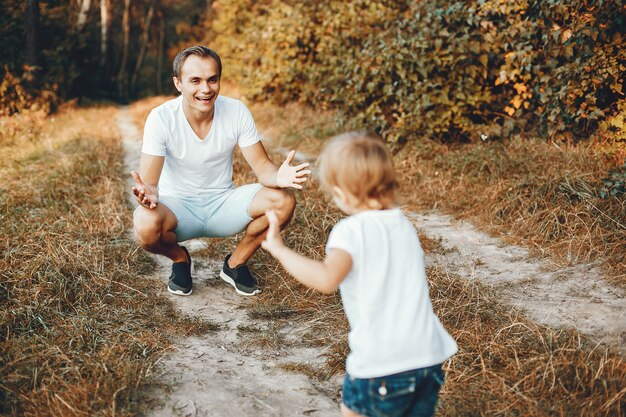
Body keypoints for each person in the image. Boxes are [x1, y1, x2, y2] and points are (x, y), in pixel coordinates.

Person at [261, 131, 457, 417]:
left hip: (383, 365)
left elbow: (327, 279)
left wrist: (280, 249)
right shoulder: (403, 225)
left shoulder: (350, 231)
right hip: (428, 358)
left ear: (341, 192)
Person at [131, 45, 310, 297]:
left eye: (212, 80)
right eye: (195, 80)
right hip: (179, 209)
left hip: (222, 204)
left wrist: (277, 177)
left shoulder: (236, 111)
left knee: (283, 200)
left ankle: (235, 265)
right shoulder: (160, 118)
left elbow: (263, 168)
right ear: (178, 83)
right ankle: (180, 259)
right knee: (144, 222)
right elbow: (150, 185)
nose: (205, 89)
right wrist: (148, 193)